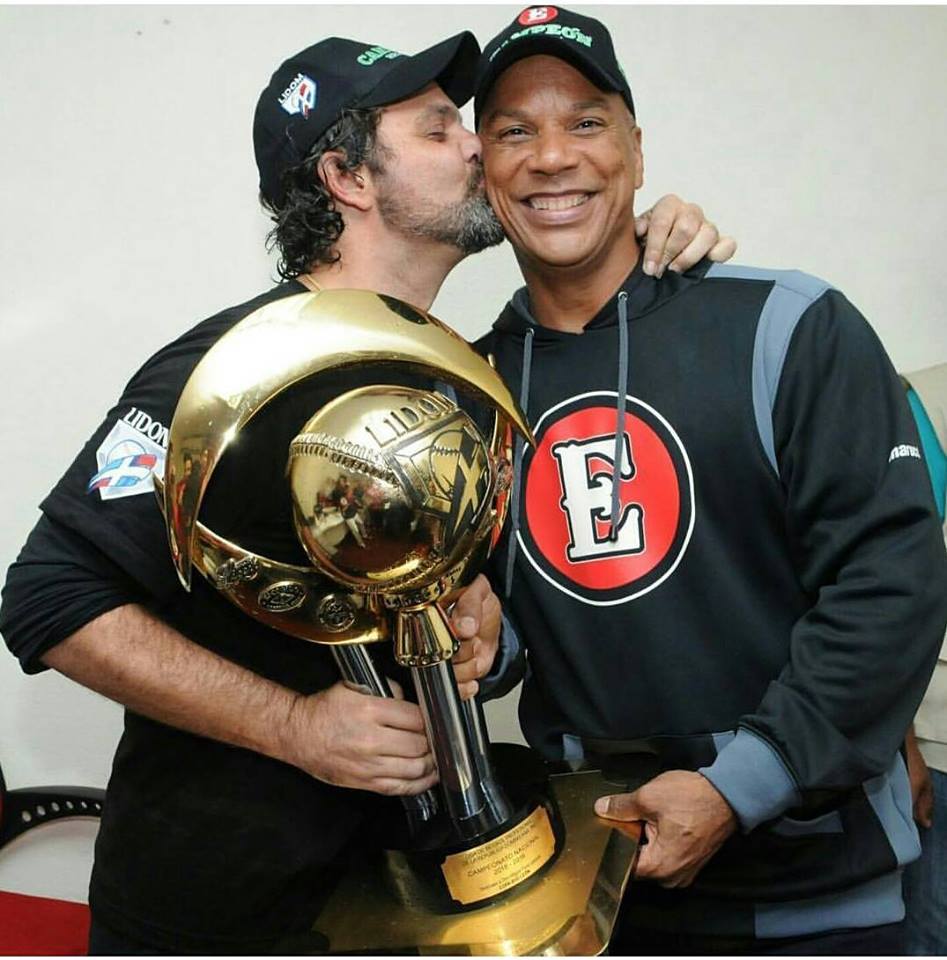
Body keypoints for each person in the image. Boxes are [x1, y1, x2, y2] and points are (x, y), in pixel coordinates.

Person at [0, 30, 731, 955]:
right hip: (219, 917)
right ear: (347, 177)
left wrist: (480, 621)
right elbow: (47, 599)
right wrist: (293, 725)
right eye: (437, 130)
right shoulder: (235, 372)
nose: (477, 145)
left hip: (398, 902)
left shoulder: (456, 373)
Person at [472, 6, 947, 954]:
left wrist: (738, 788)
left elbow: (889, 586)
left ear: (636, 150)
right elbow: (516, 621)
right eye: (514, 132)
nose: (552, 156)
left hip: (820, 895)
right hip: (600, 890)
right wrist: (483, 643)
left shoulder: (787, 323)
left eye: (586, 122)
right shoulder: (469, 392)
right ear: (482, 171)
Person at [900, 363, 947, 955]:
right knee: (933, 933)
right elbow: (888, 585)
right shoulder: (927, 403)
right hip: (938, 737)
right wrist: (905, 746)